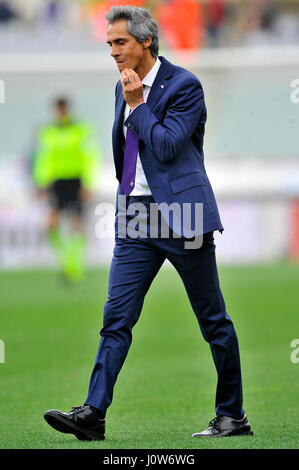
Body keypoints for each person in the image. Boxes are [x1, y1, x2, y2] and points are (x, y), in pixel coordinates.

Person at [43, 6, 253, 440]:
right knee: (115, 319)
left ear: (146, 42)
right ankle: (93, 415)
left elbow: (169, 145)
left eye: (120, 43)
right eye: (110, 44)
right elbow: (127, 157)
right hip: (136, 218)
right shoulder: (122, 88)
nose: (113, 51)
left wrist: (138, 104)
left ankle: (232, 415)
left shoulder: (184, 86)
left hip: (185, 217)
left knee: (213, 320)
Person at [33, 97, 101, 283]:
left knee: (77, 225)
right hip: (57, 182)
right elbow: (44, 158)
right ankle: (66, 260)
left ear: (67, 109)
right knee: (52, 226)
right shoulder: (48, 132)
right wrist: (41, 181)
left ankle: (75, 266)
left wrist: (88, 183)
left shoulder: (80, 129)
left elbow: (89, 157)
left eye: (63, 108)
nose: (61, 112)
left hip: (76, 181)